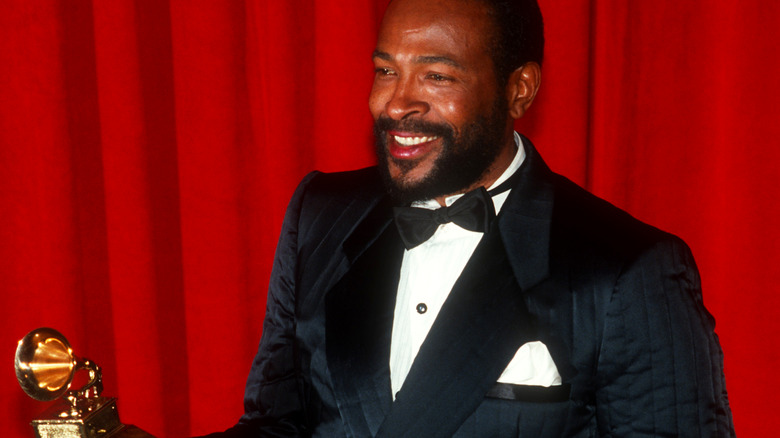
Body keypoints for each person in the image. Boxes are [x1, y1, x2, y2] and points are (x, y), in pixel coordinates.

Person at [201, 0, 734, 436]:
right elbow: (276, 425)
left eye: (436, 76)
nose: (395, 103)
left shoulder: (627, 272)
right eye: (386, 69)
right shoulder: (320, 216)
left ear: (519, 89)